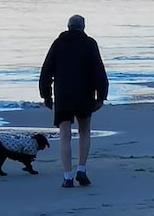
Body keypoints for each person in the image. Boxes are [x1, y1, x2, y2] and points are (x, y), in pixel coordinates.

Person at [39, 13, 108, 188]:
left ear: (68, 26)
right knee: (84, 131)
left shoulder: (58, 44)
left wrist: (46, 95)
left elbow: (46, 71)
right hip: (84, 94)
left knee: (64, 135)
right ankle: (82, 169)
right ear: (83, 27)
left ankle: (67, 176)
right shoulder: (89, 44)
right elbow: (99, 71)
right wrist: (101, 96)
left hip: (63, 95)